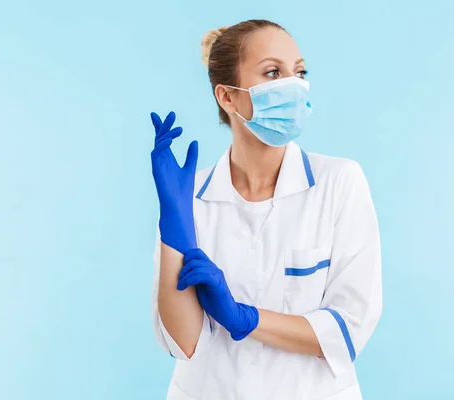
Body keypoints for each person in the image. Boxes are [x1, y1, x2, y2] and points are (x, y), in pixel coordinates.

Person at [150, 19, 382, 400]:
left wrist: (246, 319)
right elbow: (183, 343)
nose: (294, 85)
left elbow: (349, 328)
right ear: (227, 96)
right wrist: (174, 222)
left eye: (300, 71)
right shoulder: (187, 199)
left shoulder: (338, 183)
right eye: (274, 72)